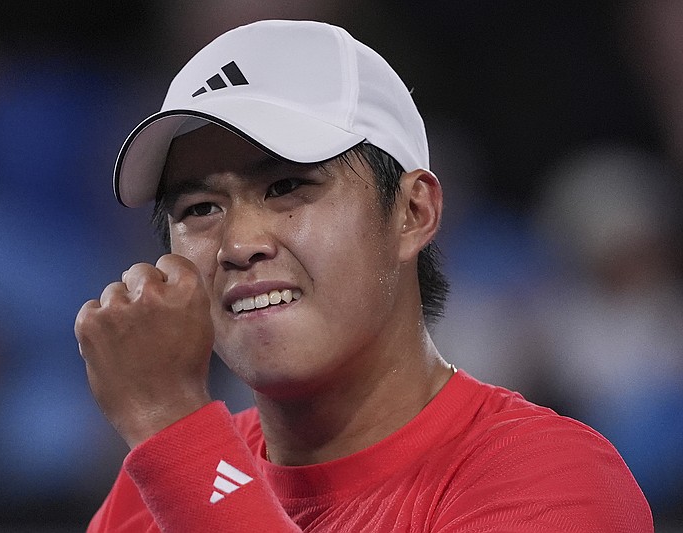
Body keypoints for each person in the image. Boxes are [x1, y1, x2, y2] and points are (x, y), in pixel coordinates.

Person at [74, 20, 652, 532]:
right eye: (199, 209)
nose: (239, 245)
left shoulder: (550, 477)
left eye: (287, 187)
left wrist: (177, 437)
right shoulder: (152, 492)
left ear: (412, 212)